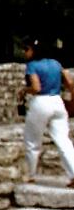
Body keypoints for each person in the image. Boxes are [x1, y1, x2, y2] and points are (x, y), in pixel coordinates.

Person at [19, 37, 74, 185]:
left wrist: (24, 90)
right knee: (63, 140)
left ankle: (30, 175)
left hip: (41, 102)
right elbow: (70, 82)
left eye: (26, 49)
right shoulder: (56, 64)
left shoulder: (32, 66)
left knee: (32, 141)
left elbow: (36, 88)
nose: (24, 52)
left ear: (34, 50)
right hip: (57, 101)